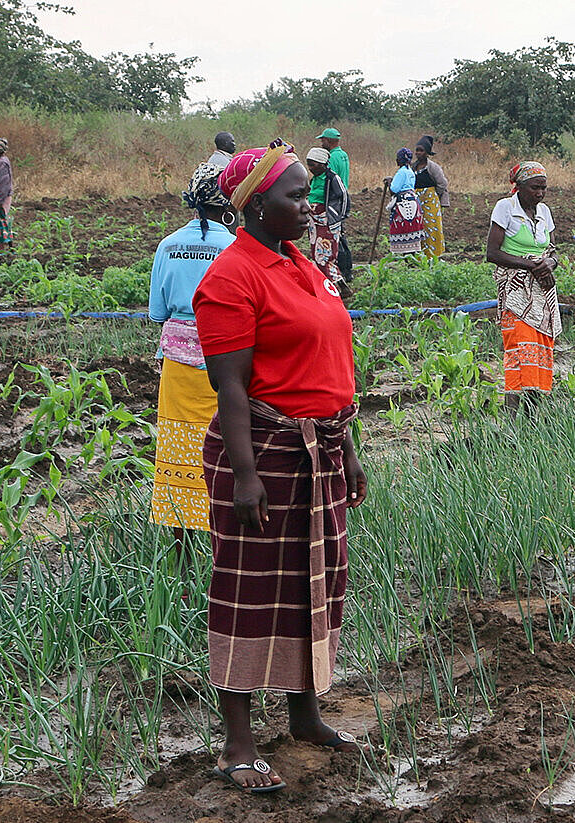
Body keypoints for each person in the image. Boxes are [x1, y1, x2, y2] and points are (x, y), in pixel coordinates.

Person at [195, 145, 366, 793]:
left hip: (317, 450)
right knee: (251, 593)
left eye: (309, 194)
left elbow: (330, 366)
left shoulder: (303, 263)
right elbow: (230, 388)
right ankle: (237, 744)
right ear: (257, 206)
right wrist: (244, 475)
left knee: (310, 586)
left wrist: (346, 449)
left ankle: (304, 715)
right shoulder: (232, 278)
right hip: (263, 452)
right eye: (295, 196)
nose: (309, 205)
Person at [148, 163, 237, 541]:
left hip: (178, 364)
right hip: (226, 360)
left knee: (178, 443)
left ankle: (180, 537)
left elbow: (158, 311)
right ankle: (223, 529)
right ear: (226, 208)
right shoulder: (233, 247)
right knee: (224, 442)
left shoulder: (167, 245)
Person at [486, 162, 562, 410]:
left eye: (544, 188)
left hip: (541, 292)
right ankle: (513, 419)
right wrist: (530, 265)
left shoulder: (544, 212)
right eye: (534, 188)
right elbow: (492, 253)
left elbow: (553, 251)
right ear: (518, 187)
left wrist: (548, 263)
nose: (539, 193)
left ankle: (531, 419)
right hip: (516, 293)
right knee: (519, 353)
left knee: (539, 352)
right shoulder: (505, 208)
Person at [304, 146, 351, 281]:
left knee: (327, 254)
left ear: (322, 164)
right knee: (316, 252)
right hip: (314, 222)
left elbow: (344, 197)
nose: (310, 168)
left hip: (328, 221)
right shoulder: (314, 180)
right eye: (308, 164)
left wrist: (339, 218)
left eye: (312, 164)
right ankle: (324, 282)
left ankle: (336, 283)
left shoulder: (332, 178)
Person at [317, 128, 354, 278]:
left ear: (330, 141)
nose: (321, 142)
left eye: (323, 140)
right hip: (342, 196)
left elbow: (328, 179)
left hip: (333, 199)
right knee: (340, 233)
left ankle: (343, 270)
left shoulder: (331, 158)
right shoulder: (343, 155)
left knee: (335, 236)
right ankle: (347, 269)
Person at [410, 135, 449, 258]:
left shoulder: (432, 167)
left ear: (427, 152)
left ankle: (434, 256)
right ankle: (420, 256)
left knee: (432, 228)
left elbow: (442, 183)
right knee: (418, 227)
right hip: (417, 201)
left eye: (421, 150)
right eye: (417, 150)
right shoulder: (413, 167)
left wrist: (432, 194)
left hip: (430, 200)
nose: (418, 153)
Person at [386, 148, 426, 257]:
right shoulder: (410, 171)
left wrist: (390, 182)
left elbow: (394, 189)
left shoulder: (401, 172)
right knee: (412, 231)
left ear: (400, 160)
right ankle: (412, 259)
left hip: (403, 203)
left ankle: (407, 259)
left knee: (403, 231)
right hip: (413, 201)